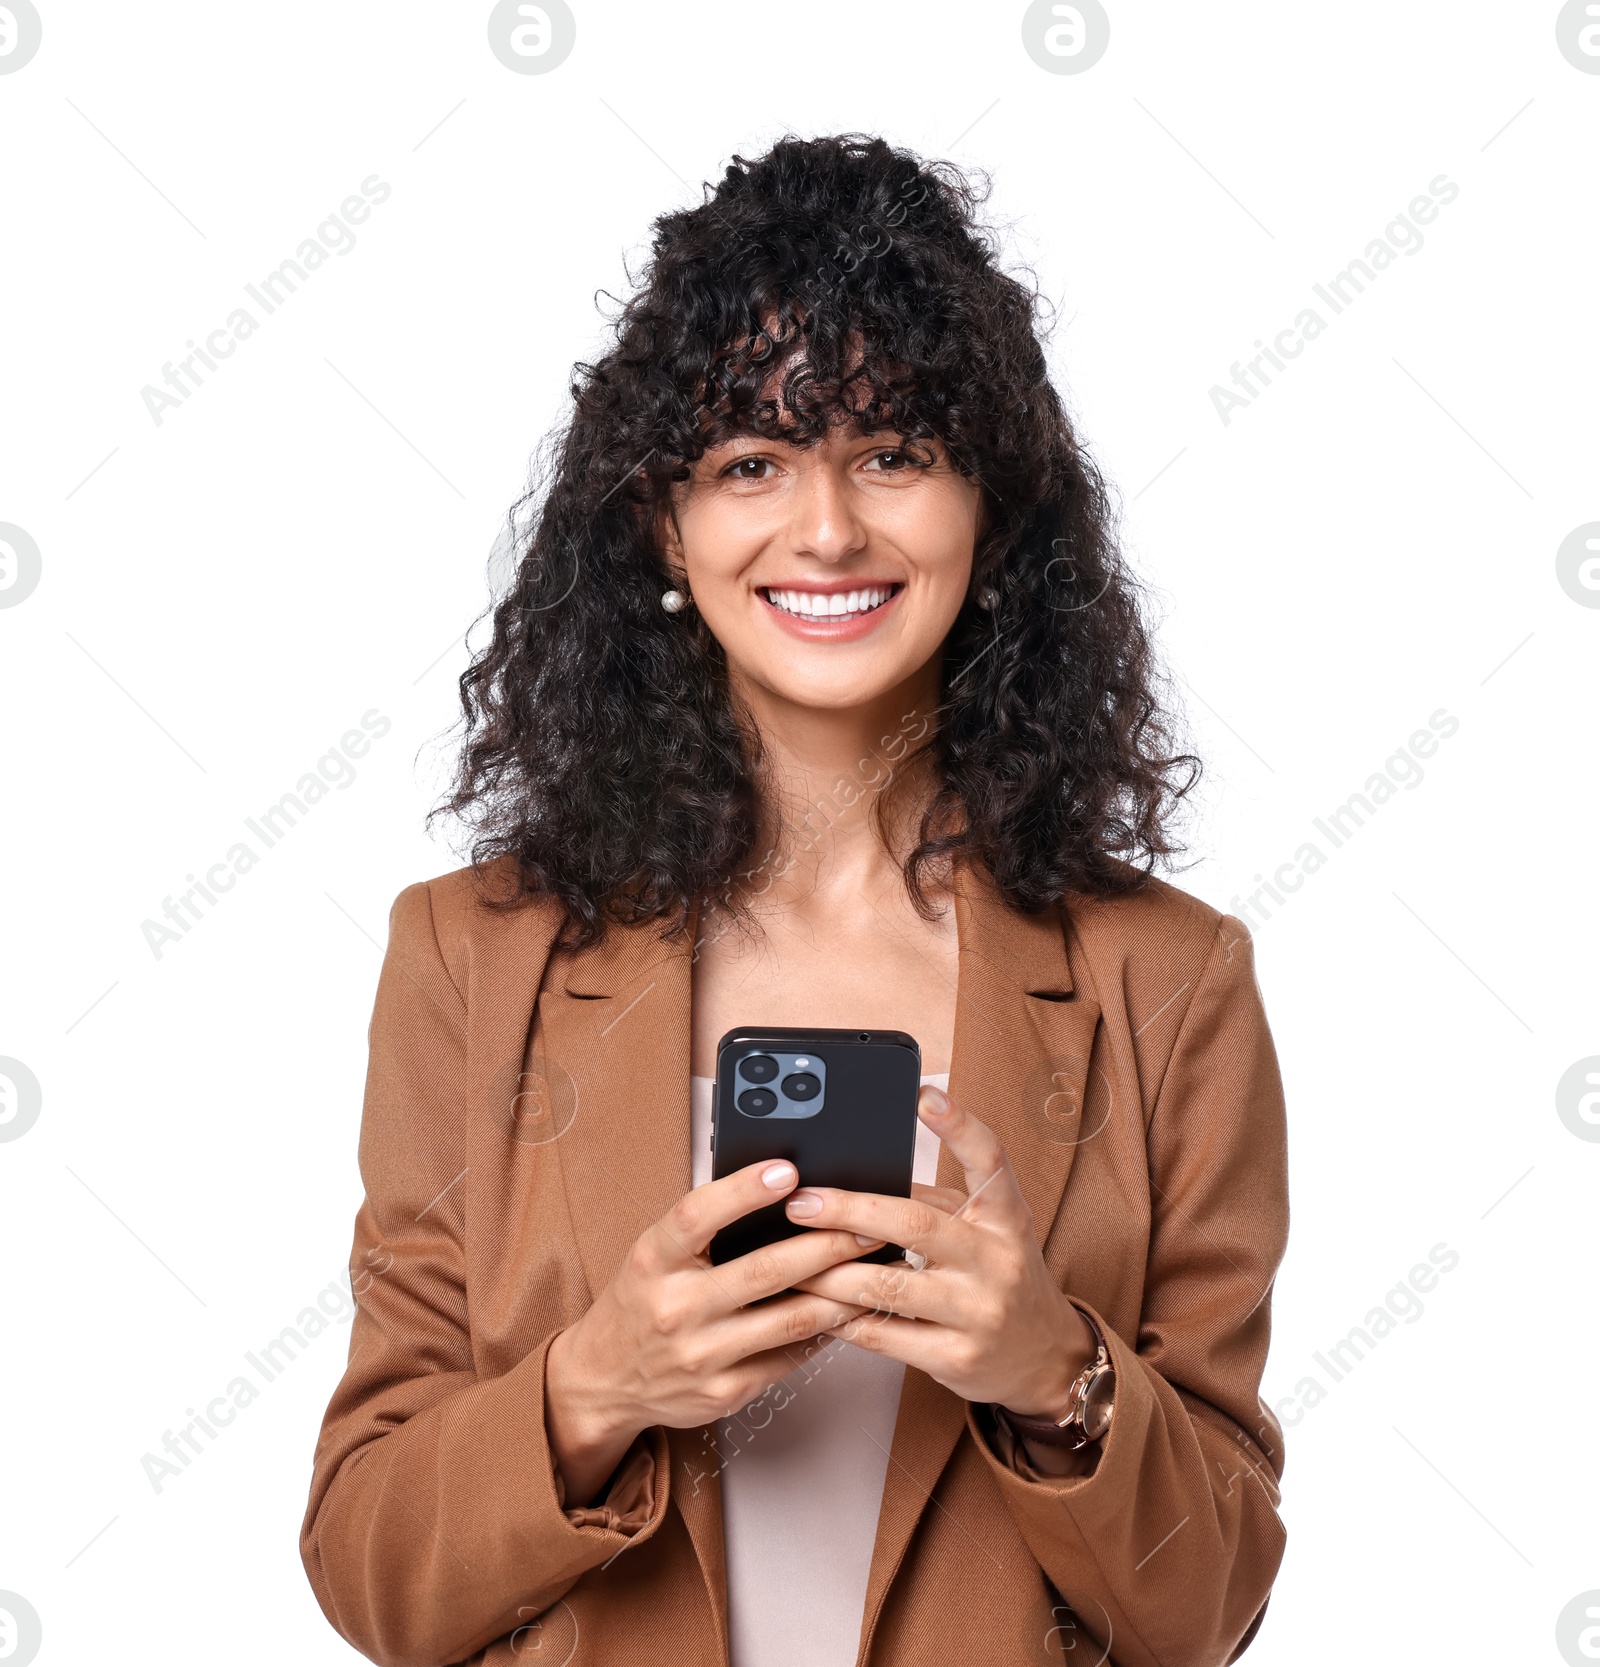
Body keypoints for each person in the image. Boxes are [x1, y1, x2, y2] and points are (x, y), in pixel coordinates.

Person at [299, 133, 1290, 1667]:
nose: (826, 530)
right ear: (664, 527)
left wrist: (1055, 1369)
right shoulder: (468, 956)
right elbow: (376, 1576)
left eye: (893, 451)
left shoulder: (1167, 978)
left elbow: (1207, 1602)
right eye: (751, 461)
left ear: (991, 507)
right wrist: (594, 1387)